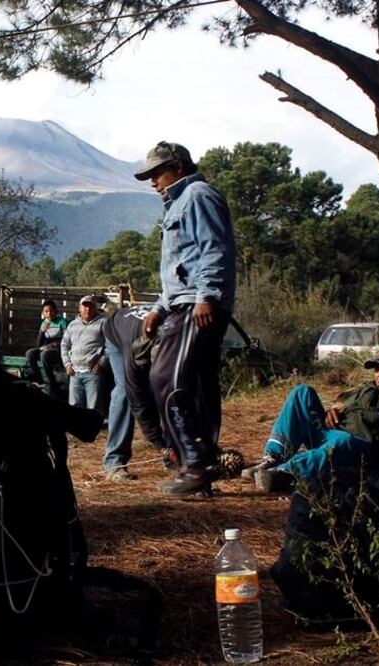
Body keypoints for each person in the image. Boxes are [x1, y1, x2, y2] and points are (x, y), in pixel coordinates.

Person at [136, 142, 237, 496]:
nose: (152, 182)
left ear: (178, 166)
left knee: (166, 379)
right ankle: (200, 466)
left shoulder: (197, 194)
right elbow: (180, 267)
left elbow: (213, 247)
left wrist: (207, 295)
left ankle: (193, 463)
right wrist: (159, 307)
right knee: (194, 385)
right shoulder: (178, 202)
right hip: (183, 303)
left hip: (197, 305)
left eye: (156, 173)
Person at [244, 347, 379, 488]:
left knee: (344, 442)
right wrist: (332, 411)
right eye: (377, 367)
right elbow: (338, 405)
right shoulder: (363, 389)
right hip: (332, 434)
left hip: (365, 448)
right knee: (301, 392)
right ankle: (274, 458)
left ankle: (284, 473)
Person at [100, 305, 169, 481]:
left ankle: (174, 456)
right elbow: (137, 401)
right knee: (124, 391)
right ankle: (114, 462)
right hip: (116, 333)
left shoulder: (176, 338)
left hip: (146, 333)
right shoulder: (135, 351)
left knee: (168, 392)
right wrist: (159, 444)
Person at [61, 295, 106, 411]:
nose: (87, 309)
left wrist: (102, 362)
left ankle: (92, 429)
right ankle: (76, 429)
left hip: (93, 372)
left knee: (93, 408)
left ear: (95, 308)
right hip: (74, 373)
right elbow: (64, 345)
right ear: (79, 308)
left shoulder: (103, 323)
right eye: (85, 306)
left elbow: (111, 346)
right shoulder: (72, 325)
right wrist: (67, 364)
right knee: (74, 408)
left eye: (90, 306)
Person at [24, 299, 67, 396]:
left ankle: (52, 382)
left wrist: (54, 345)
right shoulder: (44, 323)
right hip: (46, 348)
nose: (49, 313)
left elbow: (66, 339)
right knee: (29, 353)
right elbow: (39, 344)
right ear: (43, 313)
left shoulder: (62, 321)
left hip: (58, 350)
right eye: (46, 311)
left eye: (51, 311)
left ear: (56, 311)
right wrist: (42, 332)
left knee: (44, 355)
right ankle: (40, 381)